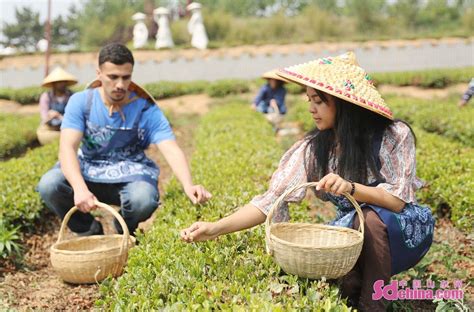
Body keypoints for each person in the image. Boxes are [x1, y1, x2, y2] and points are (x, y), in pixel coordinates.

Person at [181, 52, 435, 311]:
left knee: (369, 218)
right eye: (310, 100)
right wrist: (214, 228)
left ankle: (374, 306)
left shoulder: (393, 135)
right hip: (352, 232)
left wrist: (351, 188)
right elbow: (270, 201)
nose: (311, 109)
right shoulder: (314, 148)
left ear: (344, 104)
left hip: (402, 230)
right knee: (349, 274)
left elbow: (396, 201)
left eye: (319, 101)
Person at [38, 43, 211, 236]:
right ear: (99, 74)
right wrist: (79, 189)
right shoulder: (81, 102)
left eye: (125, 77)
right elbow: (67, 148)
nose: (120, 84)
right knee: (49, 184)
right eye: (113, 77)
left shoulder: (145, 107)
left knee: (143, 199)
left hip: (130, 172)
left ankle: (124, 228)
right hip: (89, 168)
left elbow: (170, 147)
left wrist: (188, 185)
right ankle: (88, 228)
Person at [36, 67, 77, 145]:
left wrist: (59, 116)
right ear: (53, 84)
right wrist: (50, 115)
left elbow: (75, 117)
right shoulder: (46, 97)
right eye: (59, 82)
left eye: (63, 82)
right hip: (51, 126)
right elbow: (44, 118)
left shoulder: (72, 96)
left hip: (68, 126)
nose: (62, 84)